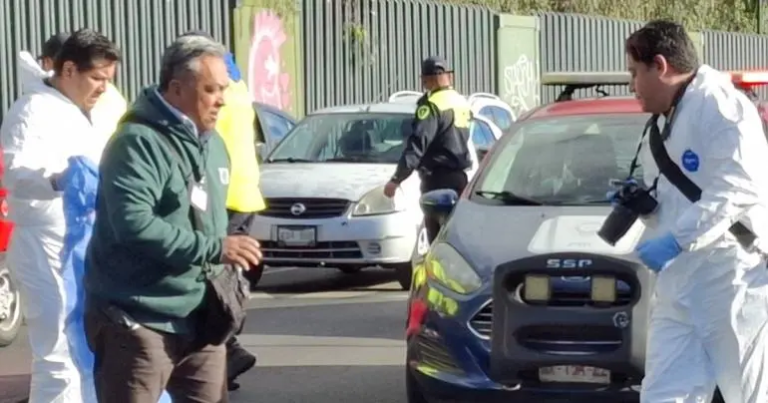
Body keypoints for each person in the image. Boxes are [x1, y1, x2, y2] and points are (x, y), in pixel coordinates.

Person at [83, 34, 263, 402]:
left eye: (224, 89)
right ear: (176, 88)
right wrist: (215, 247)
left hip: (200, 320)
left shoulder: (213, 144)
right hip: (138, 320)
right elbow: (133, 224)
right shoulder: (137, 143)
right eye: (211, 89)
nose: (221, 100)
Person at [626, 20, 768, 402]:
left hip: (731, 276)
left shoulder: (720, 105)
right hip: (680, 282)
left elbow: (740, 186)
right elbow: (682, 196)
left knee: (748, 393)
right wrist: (644, 206)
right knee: (664, 392)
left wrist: (675, 240)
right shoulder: (666, 117)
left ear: (661, 66)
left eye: (635, 73)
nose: (632, 85)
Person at [0, 28, 120, 403]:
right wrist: (57, 180)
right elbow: (14, 171)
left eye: (108, 79)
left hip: (81, 244)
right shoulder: (32, 110)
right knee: (58, 355)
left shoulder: (82, 112)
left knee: (85, 350)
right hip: (44, 245)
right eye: (97, 78)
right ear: (68, 69)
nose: (103, 87)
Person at [179, 29, 263, 391]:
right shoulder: (238, 86)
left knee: (213, 279)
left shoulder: (211, 90)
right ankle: (224, 354)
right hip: (245, 191)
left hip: (223, 192)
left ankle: (225, 348)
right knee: (225, 278)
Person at [383, 56, 472, 242]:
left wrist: (397, 179)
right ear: (449, 77)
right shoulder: (460, 101)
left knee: (437, 239)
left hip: (437, 181)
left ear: (426, 79)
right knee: (455, 236)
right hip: (459, 179)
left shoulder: (432, 105)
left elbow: (417, 144)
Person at [35, 32, 127, 141]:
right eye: (96, 78)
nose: (103, 89)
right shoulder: (36, 116)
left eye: (106, 80)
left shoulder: (104, 99)